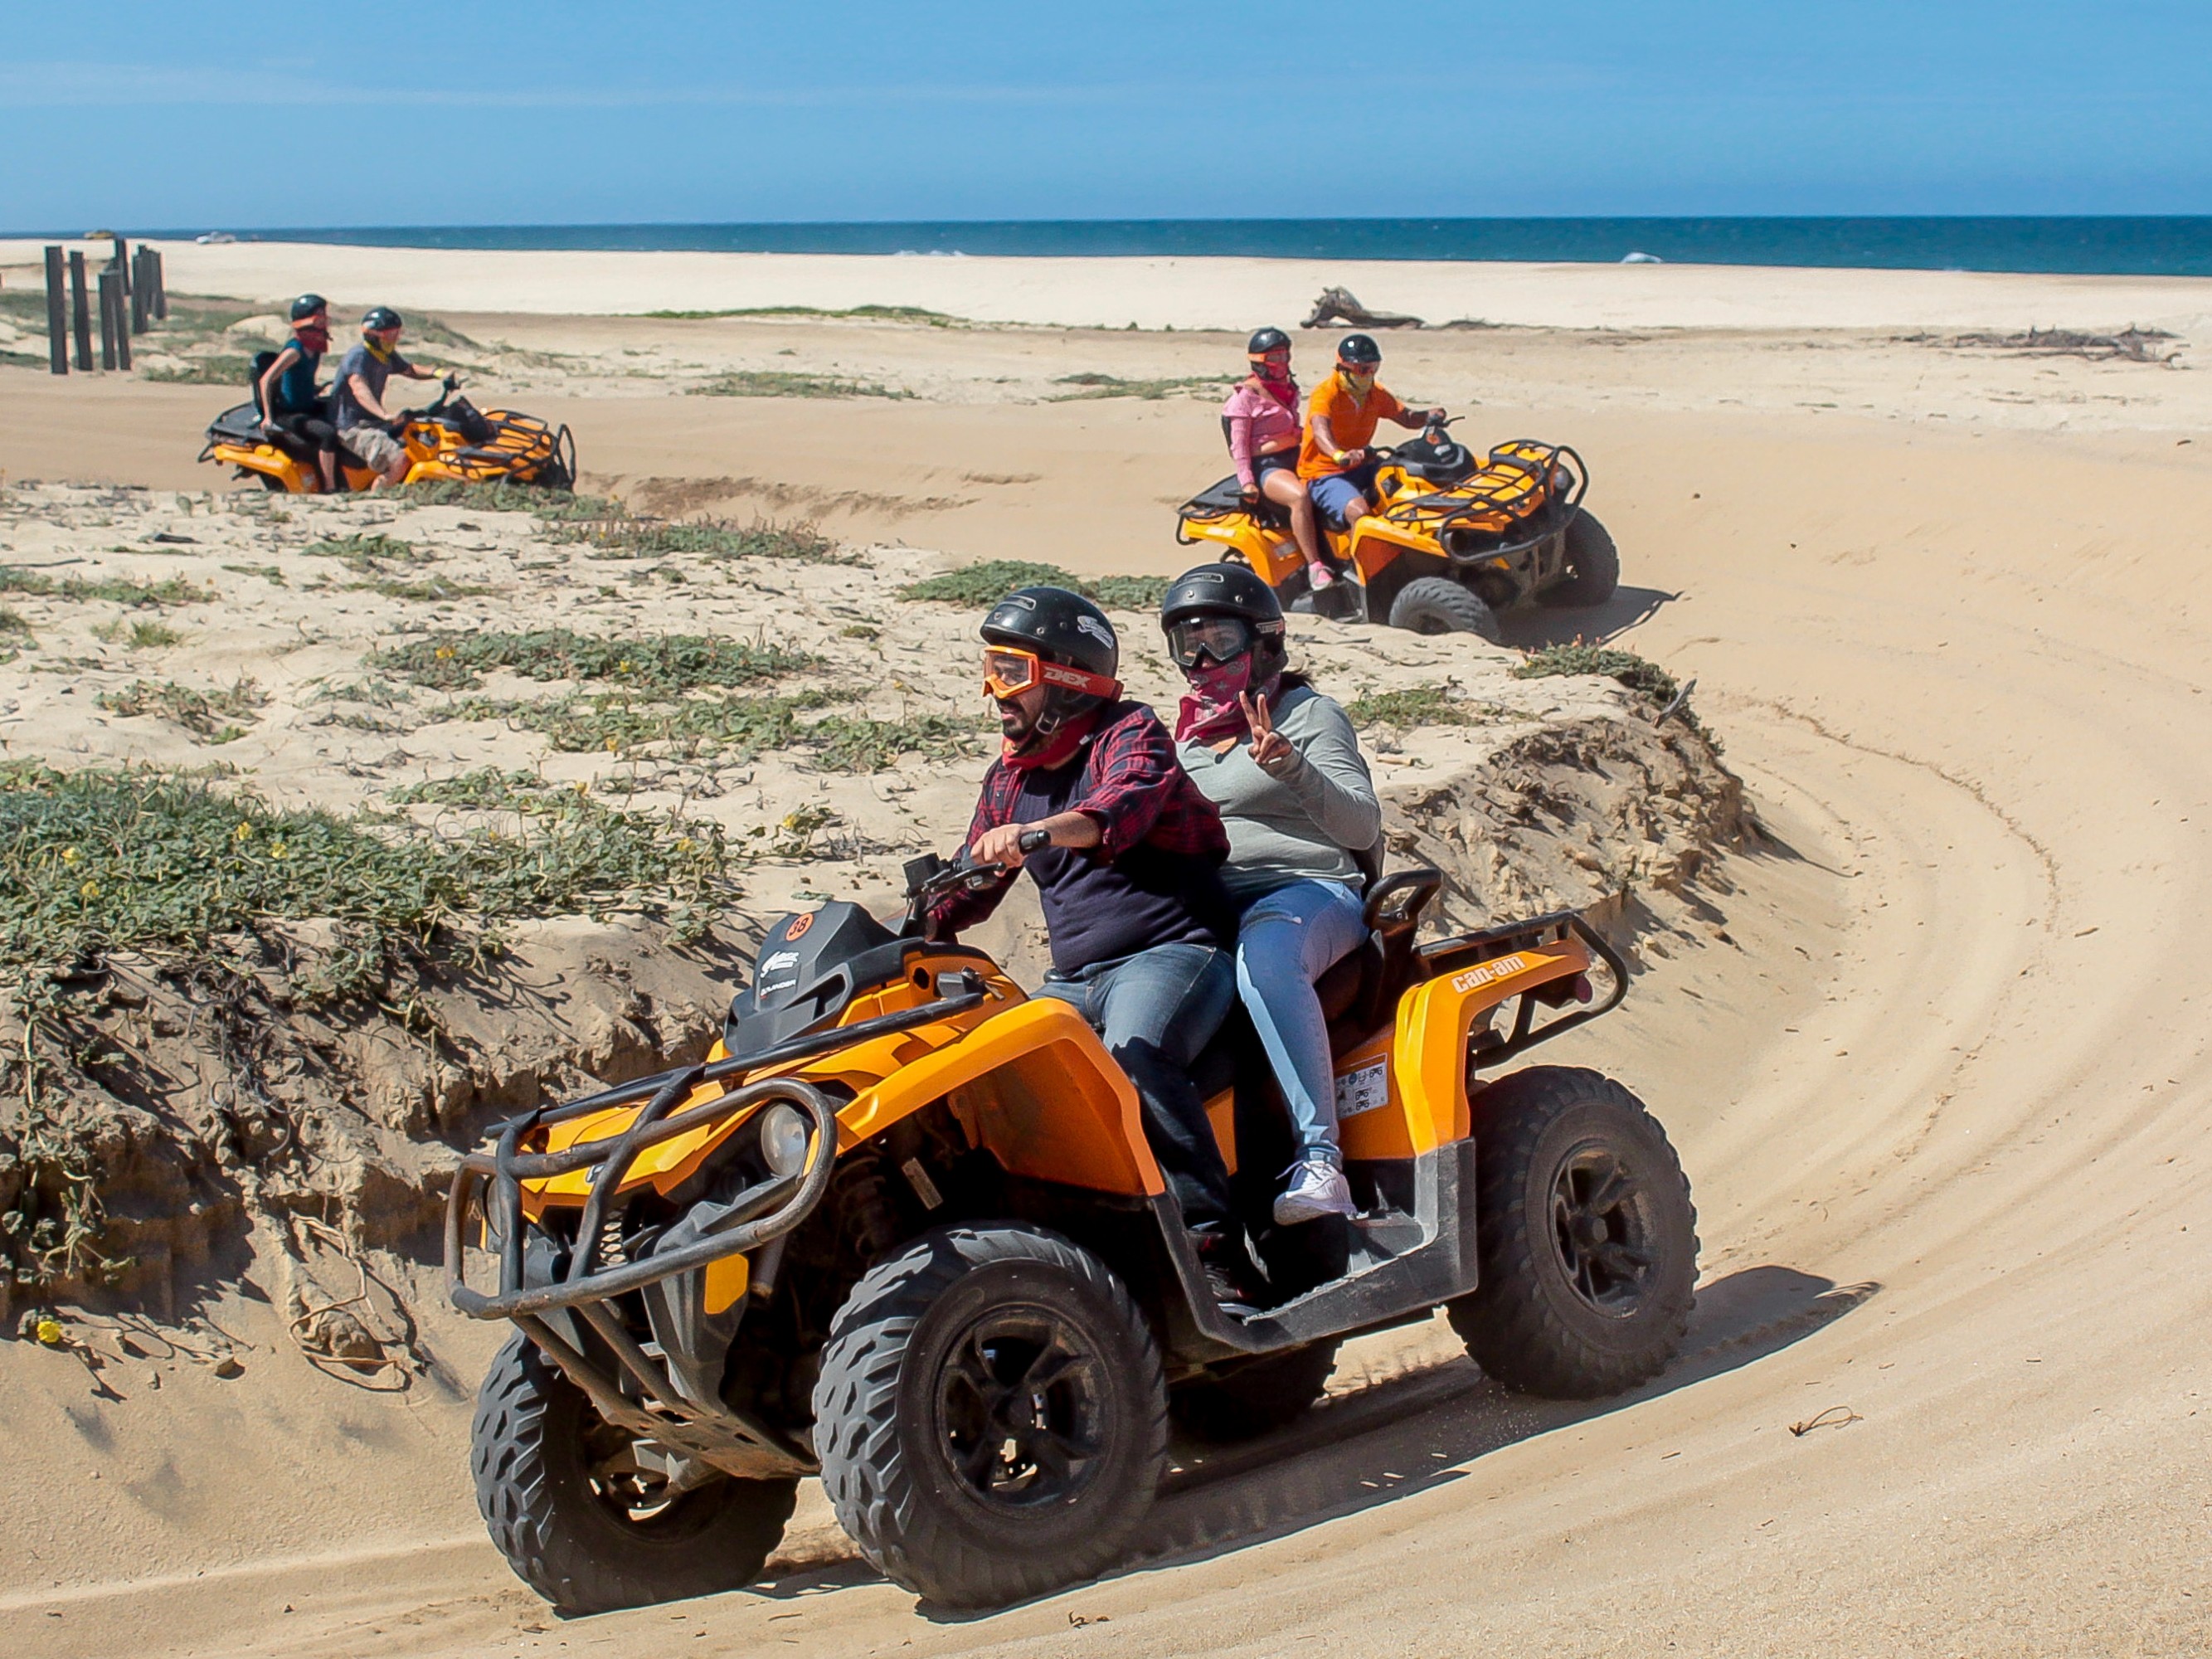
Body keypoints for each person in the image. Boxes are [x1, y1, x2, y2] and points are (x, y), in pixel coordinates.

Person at [926, 586, 1259, 1308]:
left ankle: (1215, 1251)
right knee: (994, 1089)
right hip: (1073, 980)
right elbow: (966, 890)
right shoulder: (1009, 778)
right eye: (989, 668)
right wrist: (905, 934)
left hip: (1173, 952)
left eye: (1010, 672)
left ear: (1069, 677)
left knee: (1136, 1055)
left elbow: (1123, 806)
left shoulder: (1129, 732)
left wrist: (1039, 834)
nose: (993, 690)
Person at [1162, 563, 1383, 1226]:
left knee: (1265, 963)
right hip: (1211, 907)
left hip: (1309, 892)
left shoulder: (1310, 714)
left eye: (1218, 640)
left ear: (1263, 642)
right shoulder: (1185, 741)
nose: (1202, 660)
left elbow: (1361, 825)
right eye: (1186, 644)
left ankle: (1322, 1163)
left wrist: (1289, 765)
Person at [1296, 333, 1446, 533]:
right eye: (1363, 369)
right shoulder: (1326, 393)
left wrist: (1429, 415)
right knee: (1359, 512)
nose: (1369, 374)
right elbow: (1320, 430)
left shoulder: (1375, 393)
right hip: (1325, 473)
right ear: (1345, 367)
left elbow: (1407, 418)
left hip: (1364, 463)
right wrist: (1339, 455)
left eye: (1374, 368)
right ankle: (1360, 562)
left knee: (1411, 486)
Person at [1222, 328, 1332, 591]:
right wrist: (1248, 483)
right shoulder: (1244, 398)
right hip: (1267, 467)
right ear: (1259, 362)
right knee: (1300, 497)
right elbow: (1239, 448)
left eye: (1284, 355)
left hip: (1296, 456)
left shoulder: (1288, 389)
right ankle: (1316, 568)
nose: (1282, 363)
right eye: (1275, 357)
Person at [330, 306, 445, 489]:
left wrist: (438, 373)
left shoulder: (384, 354)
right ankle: (378, 497)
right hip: (352, 428)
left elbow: (409, 370)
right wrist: (383, 414)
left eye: (397, 333)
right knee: (400, 458)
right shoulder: (358, 356)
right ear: (374, 335)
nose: (395, 338)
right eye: (390, 334)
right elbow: (359, 389)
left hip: (373, 423)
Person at [255, 294, 338, 493]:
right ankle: (330, 487)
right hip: (289, 414)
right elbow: (266, 380)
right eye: (319, 317)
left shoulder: (315, 348)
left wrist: (316, 389)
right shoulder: (295, 351)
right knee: (328, 434)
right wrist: (268, 417)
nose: (324, 322)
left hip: (307, 404)